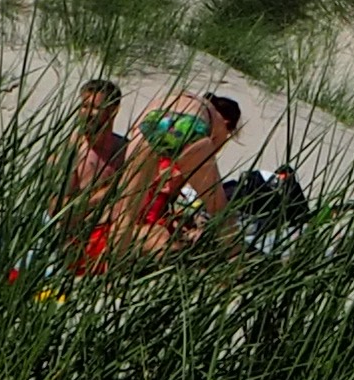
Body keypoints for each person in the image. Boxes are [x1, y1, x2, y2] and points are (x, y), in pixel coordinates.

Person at [109, 92, 243, 262]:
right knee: (220, 211)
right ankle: (235, 264)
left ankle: (114, 266)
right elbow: (200, 166)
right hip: (191, 126)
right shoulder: (217, 122)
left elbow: (137, 127)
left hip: (153, 121)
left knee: (126, 213)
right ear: (228, 124)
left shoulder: (178, 96)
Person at [54, 76, 130, 261]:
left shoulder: (125, 150)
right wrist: (103, 197)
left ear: (113, 111)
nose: (86, 114)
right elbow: (56, 210)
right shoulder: (71, 151)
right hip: (76, 238)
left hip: (114, 232)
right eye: (83, 106)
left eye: (95, 108)